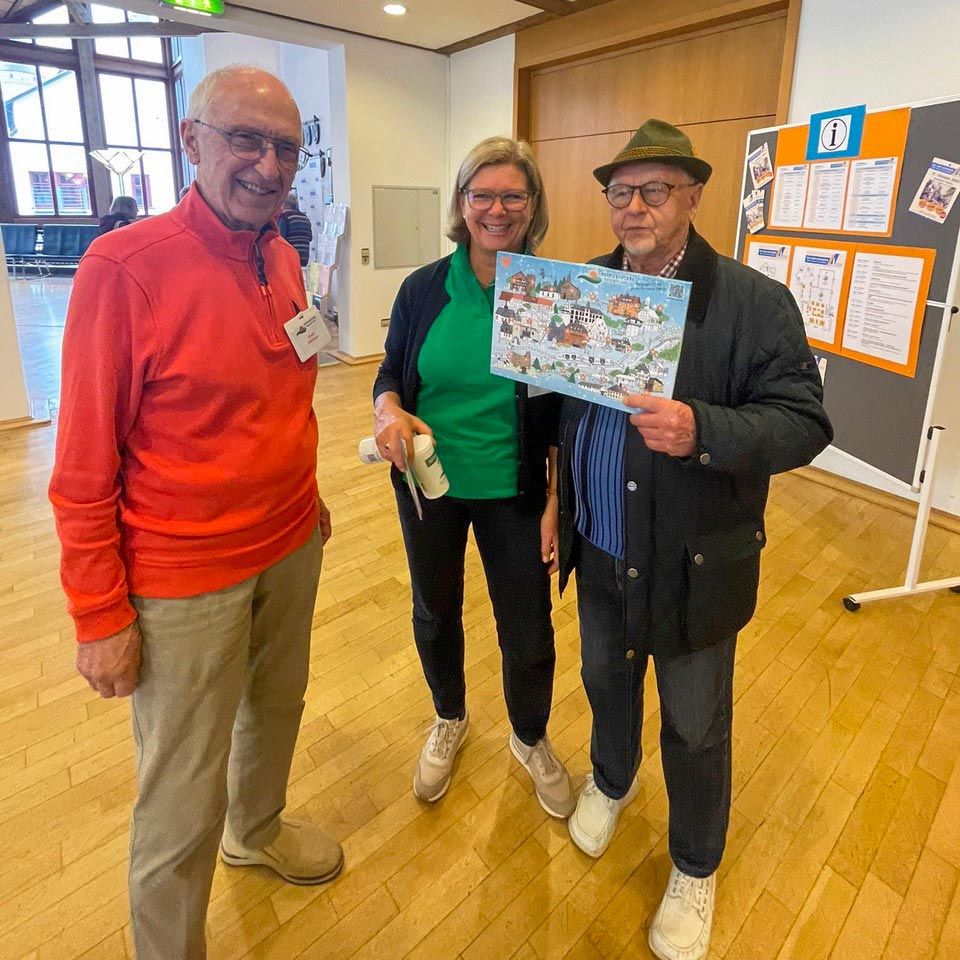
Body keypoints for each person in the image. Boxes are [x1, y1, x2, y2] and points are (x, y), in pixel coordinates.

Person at [49, 65, 342, 960]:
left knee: (277, 706)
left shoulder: (282, 252)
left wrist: (312, 495)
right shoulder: (125, 268)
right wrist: (100, 612)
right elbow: (82, 465)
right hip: (182, 578)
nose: (267, 164)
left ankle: (255, 830)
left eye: (284, 147)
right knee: (179, 794)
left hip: (291, 542)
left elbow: (282, 395)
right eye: (244, 140)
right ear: (191, 141)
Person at [556, 120, 833, 960]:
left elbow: (804, 421)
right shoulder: (588, 285)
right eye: (620, 192)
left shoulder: (752, 303)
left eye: (655, 191)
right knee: (604, 680)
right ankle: (610, 779)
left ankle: (694, 865)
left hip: (695, 559)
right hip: (600, 542)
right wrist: (550, 494)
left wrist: (701, 428)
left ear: (694, 198)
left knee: (696, 723)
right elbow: (559, 403)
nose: (634, 207)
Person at [372, 136, 574, 820]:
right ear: (462, 204)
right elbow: (391, 375)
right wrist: (386, 409)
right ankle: (450, 717)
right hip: (429, 488)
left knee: (528, 627)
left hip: (514, 492)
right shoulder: (423, 290)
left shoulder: (552, 294)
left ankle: (529, 734)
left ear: (532, 206)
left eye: (513, 195)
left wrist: (554, 500)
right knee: (435, 610)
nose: (497, 208)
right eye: (482, 194)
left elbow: (562, 413)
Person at [278, 189, 313, 266]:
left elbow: (281, 238)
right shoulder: (305, 218)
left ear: (285, 204)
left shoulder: (285, 216)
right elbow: (310, 237)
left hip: (290, 258)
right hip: (304, 258)